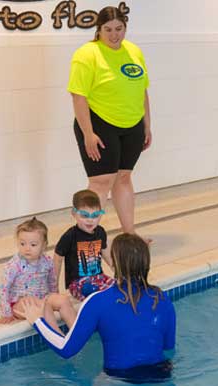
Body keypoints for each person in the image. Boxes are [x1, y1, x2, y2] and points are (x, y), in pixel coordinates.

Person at [22, 233, 176, 383]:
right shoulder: (162, 298)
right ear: (146, 263)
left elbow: (66, 349)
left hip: (118, 377)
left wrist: (37, 321)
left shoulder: (98, 301)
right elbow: (168, 347)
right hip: (160, 373)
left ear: (114, 264)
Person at [68, 6, 152, 241]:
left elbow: (142, 91)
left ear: (125, 27)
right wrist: (88, 133)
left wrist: (146, 125)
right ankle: (86, 238)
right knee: (101, 181)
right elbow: (78, 96)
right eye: (108, 29)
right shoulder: (87, 54)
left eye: (119, 29)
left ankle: (129, 234)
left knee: (124, 178)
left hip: (132, 124)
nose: (114, 35)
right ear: (99, 29)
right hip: (100, 124)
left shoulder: (133, 51)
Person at [0, 218, 74, 331]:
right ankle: (57, 337)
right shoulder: (14, 265)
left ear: (44, 245)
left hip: (42, 298)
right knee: (43, 307)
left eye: (33, 245)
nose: (27, 248)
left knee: (64, 300)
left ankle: (76, 332)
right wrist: (6, 313)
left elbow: (52, 282)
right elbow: (3, 289)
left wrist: (54, 297)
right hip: (20, 303)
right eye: (22, 244)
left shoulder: (47, 261)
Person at [55, 190, 115, 301]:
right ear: (74, 213)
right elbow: (57, 259)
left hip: (98, 277)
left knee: (118, 287)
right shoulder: (70, 236)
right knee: (92, 290)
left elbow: (105, 250)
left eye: (95, 216)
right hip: (77, 282)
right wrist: (54, 286)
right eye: (84, 215)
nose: (90, 220)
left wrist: (114, 267)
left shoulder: (100, 232)